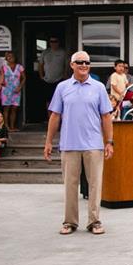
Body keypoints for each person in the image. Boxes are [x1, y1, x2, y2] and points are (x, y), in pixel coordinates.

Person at [44, 51, 114, 236]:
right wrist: (49, 141)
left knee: (95, 185)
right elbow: (55, 116)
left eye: (87, 62)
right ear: (72, 65)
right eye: (80, 62)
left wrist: (109, 141)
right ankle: (69, 222)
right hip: (69, 144)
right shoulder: (62, 87)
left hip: (93, 144)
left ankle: (94, 221)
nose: (84, 65)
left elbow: (106, 116)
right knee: (70, 186)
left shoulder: (98, 87)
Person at [39, 37, 68, 107]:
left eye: (55, 41)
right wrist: (41, 76)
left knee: (59, 100)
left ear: (58, 42)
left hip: (59, 80)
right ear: (49, 43)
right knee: (48, 100)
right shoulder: (45, 52)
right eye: (52, 41)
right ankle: (50, 118)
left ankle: (58, 117)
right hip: (47, 80)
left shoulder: (63, 52)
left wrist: (65, 75)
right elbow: (40, 65)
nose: (53, 43)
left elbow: (67, 64)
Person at [1, 51, 25, 131]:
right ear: (6, 58)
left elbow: (24, 78)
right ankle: (6, 126)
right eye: (8, 56)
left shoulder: (19, 67)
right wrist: (2, 82)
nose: (10, 57)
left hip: (16, 90)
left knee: (14, 108)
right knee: (6, 108)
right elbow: (1, 77)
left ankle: (12, 126)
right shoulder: (3, 67)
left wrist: (20, 87)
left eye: (12, 56)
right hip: (6, 90)